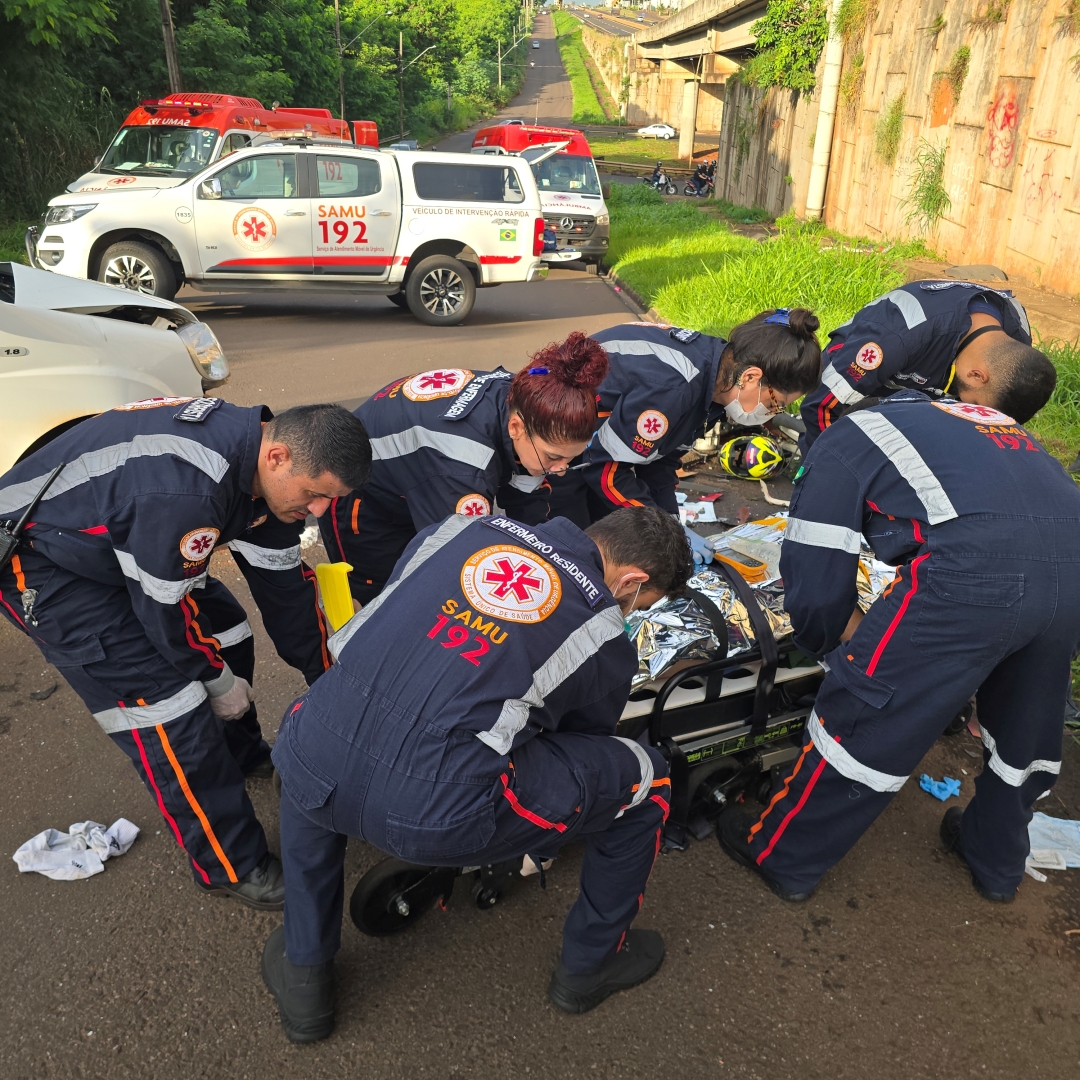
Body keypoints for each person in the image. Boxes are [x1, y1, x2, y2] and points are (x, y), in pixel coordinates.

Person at [262, 506, 693, 1042]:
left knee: (322, 735)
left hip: (313, 752)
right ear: (632, 580)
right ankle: (591, 965)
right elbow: (580, 742)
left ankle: (305, 973)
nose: (630, 609)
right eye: (641, 602)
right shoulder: (604, 633)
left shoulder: (459, 529)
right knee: (645, 779)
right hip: (432, 812)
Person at [717, 380, 1080, 906]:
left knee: (864, 716)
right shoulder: (974, 421)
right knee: (1026, 726)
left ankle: (784, 855)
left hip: (972, 579)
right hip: (1070, 574)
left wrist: (843, 658)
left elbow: (816, 585)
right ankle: (996, 861)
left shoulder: (844, 439)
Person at [0, 399, 371, 908]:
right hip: (43, 558)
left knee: (229, 632)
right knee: (167, 706)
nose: (318, 513)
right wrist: (216, 683)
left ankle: (240, 756)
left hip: (120, 539)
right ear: (278, 456)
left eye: (332, 499)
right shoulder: (189, 487)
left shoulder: (270, 477)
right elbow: (166, 614)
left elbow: (287, 595)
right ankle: (229, 864)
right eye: (314, 495)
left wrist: (331, 683)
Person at [319, 332, 608, 603]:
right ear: (516, 427)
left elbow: (527, 501)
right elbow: (462, 558)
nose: (560, 469)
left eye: (571, 459)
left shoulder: (528, 393)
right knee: (391, 602)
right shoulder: (463, 465)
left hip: (417, 478)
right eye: (552, 457)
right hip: (363, 499)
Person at [578, 310, 822, 521]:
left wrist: (672, 523)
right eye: (774, 403)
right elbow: (604, 468)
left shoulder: (719, 383)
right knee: (581, 537)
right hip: (557, 439)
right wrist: (660, 531)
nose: (771, 413)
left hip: (590, 442)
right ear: (750, 377)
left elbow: (660, 463)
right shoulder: (677, 388)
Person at [799, 279, 1056, 450]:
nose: (972, 411)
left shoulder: (1015, 336)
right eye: (975, 406)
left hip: (929, 376)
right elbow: (820, 406)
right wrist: (827, 468)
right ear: (977, 375)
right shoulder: (895, 338)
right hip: (866, 372)